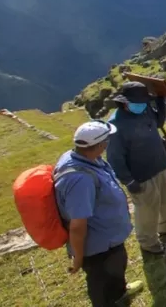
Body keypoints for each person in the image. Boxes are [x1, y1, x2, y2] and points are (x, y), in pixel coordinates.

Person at [54, 121, 143, 306]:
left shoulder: (86, 159)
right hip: (98, 248)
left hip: (109, 239)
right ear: (102, 145)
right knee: (101, 284)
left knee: (116, 271)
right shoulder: (79, 180)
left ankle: (120, 294)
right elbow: (78, 225)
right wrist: (78, 258)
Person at [106, 81, 166, 255]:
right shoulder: (116, 125)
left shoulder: (144, 109)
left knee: (165, 202)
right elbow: (115, 158)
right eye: (138, 103)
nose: (142, 105)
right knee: (147, 210)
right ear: (124, 102)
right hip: (141, 175)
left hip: (159, 165)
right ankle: (148, 243)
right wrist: (128, 180)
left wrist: (160, 100)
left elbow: (158, 123)